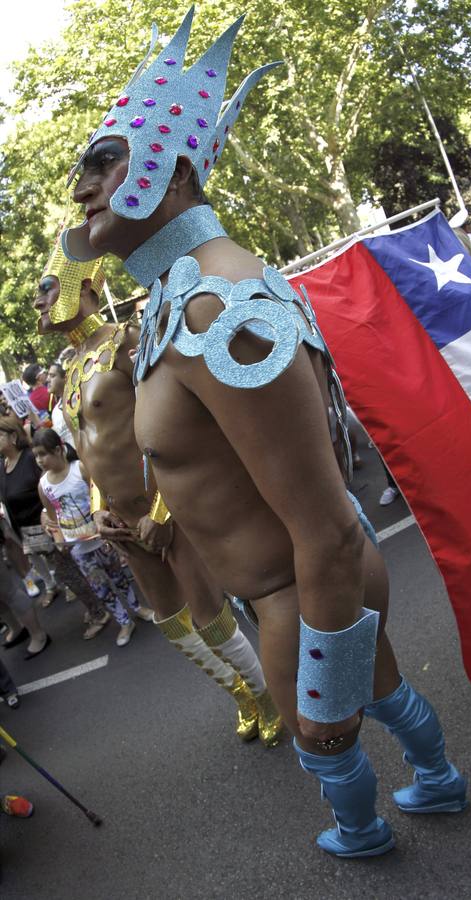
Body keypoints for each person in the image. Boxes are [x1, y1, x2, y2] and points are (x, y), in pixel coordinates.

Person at [62, 10, 466, 857]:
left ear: (170, 176)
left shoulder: (218, 303)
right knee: (383, 686)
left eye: (101, 161)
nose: (79, 186)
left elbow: (321, 522)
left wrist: (317, 693)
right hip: (300, 585)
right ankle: (437, 778)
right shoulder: (188, 290)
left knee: (331, 737)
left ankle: (358, 834)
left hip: (297, 593)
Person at [35, 218, 279, 743]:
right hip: (119, 521)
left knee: (210, 616)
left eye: (46, 288)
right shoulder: (69, 370)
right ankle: (240, 693)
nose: (37, 302)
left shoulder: (125, 342)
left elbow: (171, 421)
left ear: (82, 288)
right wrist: (101, 507)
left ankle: (265, 693)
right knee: (173, 624)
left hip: (166, 508)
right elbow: (89, 451)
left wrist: (160, 512)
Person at [33, 428, 151, 647]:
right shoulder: (44, 485)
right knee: (101, 587)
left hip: (102, 537)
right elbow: (52, 516)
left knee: (119, 577)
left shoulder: (80, 468)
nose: (40, 460)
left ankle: (138, 608)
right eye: (36, 456)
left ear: (59, 450)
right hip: (78, 547)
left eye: (43, 454)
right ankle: (124, 621)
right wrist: (60, 541)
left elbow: (101, 497)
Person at [0, 412, 60, 615]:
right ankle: (52, 585)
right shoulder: (2, 466)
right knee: (36, 558)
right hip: (21, 525)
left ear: (13, 437)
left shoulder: (30, 459)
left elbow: (46, 485)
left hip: (42, 520)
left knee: (57, 559)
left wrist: (46, 512)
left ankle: (69, 586)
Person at [47, 363, 75, 448]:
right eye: (48, 376)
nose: (47, 379)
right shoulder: (55, 411)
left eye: (52, 376)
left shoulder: (78, 399)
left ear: (65, 378)